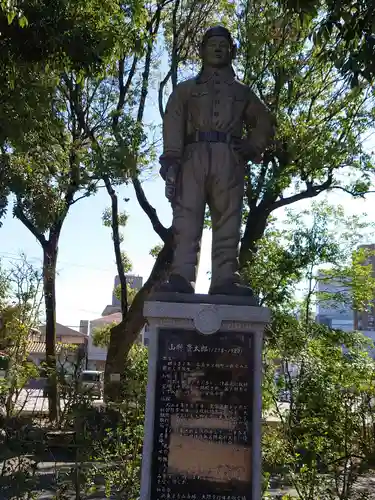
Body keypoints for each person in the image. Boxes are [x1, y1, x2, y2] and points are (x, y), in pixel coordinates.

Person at [159, 25, 275, 296]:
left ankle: (225, 278)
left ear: (232, 51)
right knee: (186, 220)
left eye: (224, 44)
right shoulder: (185, 90)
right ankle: (181, 276)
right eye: (212, 44)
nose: (218, 48)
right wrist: (172, 161)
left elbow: (264, 121)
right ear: (201, 50)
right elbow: (173, 122)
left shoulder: (243, 92)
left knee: (229, 220)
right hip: (192, 157)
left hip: (228, 157)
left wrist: (250, 146)